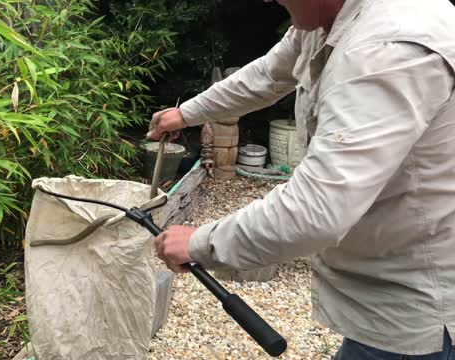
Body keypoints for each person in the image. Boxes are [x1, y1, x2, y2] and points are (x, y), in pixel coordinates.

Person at [147, 0, 455, 358]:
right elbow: (266, 75)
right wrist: (186, 114)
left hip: (417, 310)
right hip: (391, 292)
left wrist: (200, 243)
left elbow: (317, 209)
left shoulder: (385, 51)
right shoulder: (329, 21)